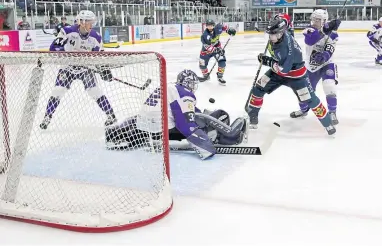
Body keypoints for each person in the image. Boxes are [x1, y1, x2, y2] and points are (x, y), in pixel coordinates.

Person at [105, 69, 248, 160]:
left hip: (145, 128)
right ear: (187, 83)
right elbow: (185, 124)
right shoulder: (184, 92)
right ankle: (226, 137)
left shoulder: (168, 87)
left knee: (137, 118)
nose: (193, 87)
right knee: (215, 118)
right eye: (192, 84)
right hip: (163, 131)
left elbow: (181, 109)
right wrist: (205, 147)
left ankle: (115, 134)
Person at [245, 18, 336, 136]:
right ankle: (252, 116)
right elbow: (285, 21)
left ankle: (328, 123)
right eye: (270, 34)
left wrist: (267, 61)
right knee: (259, 87)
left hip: (296, 76)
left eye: (273, 34)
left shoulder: (285, 49)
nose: (270, 37)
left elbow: (283, 70)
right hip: (279, 71)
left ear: (280, 33)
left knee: (310, 99)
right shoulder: (280, 36)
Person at [40, 10, 117, 129]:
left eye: (93, 22)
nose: (92, 25)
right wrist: (67, 54)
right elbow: (53, 48)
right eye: (89, 22)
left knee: (94, 91)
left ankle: (111, 115)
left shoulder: (96, 37)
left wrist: (104, 69)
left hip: (85, 68)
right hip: (67, 67)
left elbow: (98, 56)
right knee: (58, 90)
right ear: (81, 22)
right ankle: (47, 117)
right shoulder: (67, 31)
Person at [290, 9, 341, 125]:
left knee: (329, 85)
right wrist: (325, 30)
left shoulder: (333, 34)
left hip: (327, 64)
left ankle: (332, 112)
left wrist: (325, 55)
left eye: (317, 20)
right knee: (305, 91)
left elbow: (331, 47)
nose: (314, 22)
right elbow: (311, 40)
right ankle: (303, 110)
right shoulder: (308, 30)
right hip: (311, 67)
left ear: (324, 21)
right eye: (313, 19)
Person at [198, 19, 236, 85]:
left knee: (222, 62)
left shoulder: (218, 28)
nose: (210, 27)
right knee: (202, 65)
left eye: (211, 25)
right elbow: (207, 46)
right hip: (206, 52)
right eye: (208, 25)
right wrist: (216, 50)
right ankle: (206, 76)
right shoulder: (204, 35)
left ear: (214, 25)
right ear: (206, 26)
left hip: (217, 48)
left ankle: (220, 77)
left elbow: (224, 28)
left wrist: (229, 30)